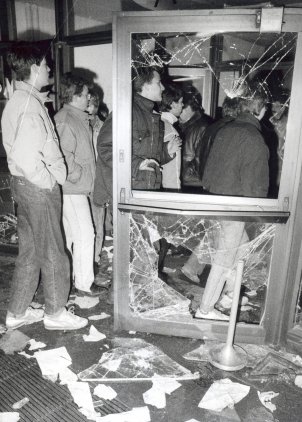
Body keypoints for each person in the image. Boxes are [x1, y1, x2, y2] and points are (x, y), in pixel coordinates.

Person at [1, 44, 88, 330]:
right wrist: (48, 181)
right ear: (35, 69)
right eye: (46, 65)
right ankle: (55, 313)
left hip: (24, 187)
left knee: (30, 252)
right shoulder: (28, 106)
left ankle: (16, 312)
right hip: (38, 188)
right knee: (53, 250)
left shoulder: (22, 100)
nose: (49, 69)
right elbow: (28, 159)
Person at [194, 84, 269, 320]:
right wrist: (260, 214)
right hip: (236, 207)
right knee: (224, 259)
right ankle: (206, 309)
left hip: (218, 201)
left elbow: (207, 170)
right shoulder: (253, 136)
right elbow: (256, 185)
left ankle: (230, 297)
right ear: (260, 109)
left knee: (241, 251)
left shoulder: (226, 130)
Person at [55, 73, 102, 297]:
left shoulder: (75, 117)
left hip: (74, 188)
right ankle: (84, 284)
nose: (88, 98)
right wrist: (78, 175)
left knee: (73, 236)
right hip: (72, 189)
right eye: (85, 94)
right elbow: (63, 155)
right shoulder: (67, 119)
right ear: (74, 96)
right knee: (86, 235)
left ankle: (73, 282)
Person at [132, 66, 181, 190]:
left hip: (146, 188)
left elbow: (150, 157)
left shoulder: (151, 115)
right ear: (146, 86)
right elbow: (106, 147)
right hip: (133, 190)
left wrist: (167, 151)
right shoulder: (129, 111)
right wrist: (137, 164)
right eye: (159, 83)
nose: (163, 87)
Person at [178, 88, 213, 190]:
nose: (179, 109)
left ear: (191, 107)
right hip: (191, 183)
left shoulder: (201, 127)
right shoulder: (189, 125)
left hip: (192, 185)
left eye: (182, 106)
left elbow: (199, 161)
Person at [87, 92, 105, 268]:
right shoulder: (78, 124)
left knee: (97, 222)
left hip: (97, 183)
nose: (89, 107)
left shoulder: (103, 127)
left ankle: (94, 260)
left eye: (92, 104)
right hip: (80, 183)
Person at [159, 84, 183, 190]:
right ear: (173, 104)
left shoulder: (156, 123)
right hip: (167, 189)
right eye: (181, 102)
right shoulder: (171, 132)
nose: (183, 105)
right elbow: (173, 171)